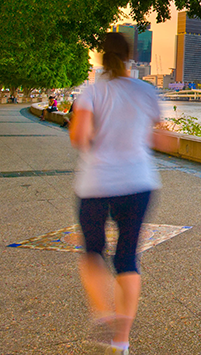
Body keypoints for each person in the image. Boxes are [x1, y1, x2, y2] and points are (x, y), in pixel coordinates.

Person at [69, 33, 161, 355]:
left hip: (96, 184)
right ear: (131, 57)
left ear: (99, 57)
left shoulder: (91, 92)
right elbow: (158, 138)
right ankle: (121, 340)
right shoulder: (147, 91)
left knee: (93, 252)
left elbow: (79, 138)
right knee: (127, 259)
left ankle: (103, 311)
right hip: (139, 182)